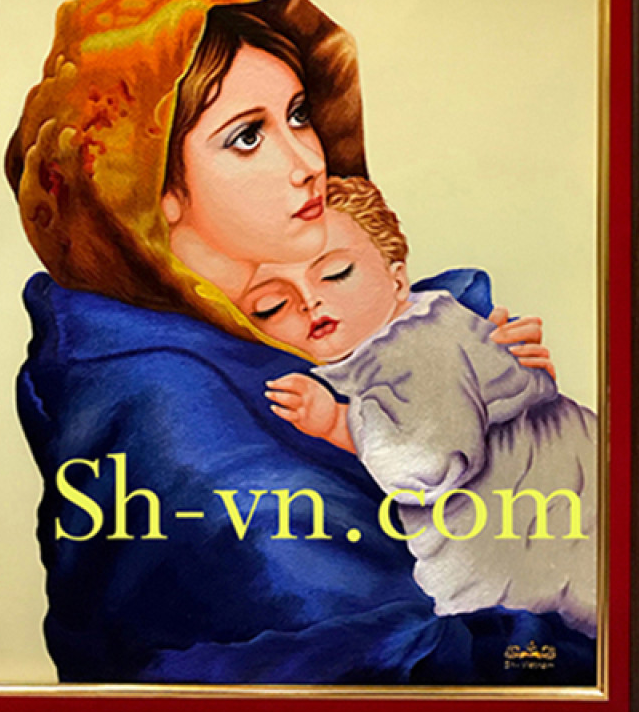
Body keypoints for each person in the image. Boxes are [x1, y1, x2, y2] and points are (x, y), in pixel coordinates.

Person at [5, 0, 594, 684]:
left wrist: (493, 385)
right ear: (146, 186)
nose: (309, 163)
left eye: (299, 116)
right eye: (248, 136)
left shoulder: (301, 317)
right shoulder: (170, 413)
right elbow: (393, 655)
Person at [242, 177, 596, 637]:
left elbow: (427, 463)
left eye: (336, 274)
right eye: (273, 305)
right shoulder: (426, 333)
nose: (310, 301)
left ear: (397, 279)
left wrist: (335, 422)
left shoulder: (415, 346)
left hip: (536, 553)